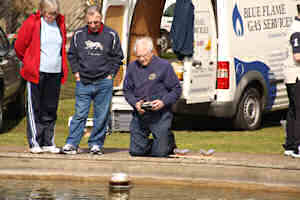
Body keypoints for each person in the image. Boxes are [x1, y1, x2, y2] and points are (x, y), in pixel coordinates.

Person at [62, 6, 124, 155]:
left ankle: (96, 144)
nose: (93, 25)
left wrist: (111, 75)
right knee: (80, 114)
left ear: (101, 19)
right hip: (84, 81)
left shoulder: (111, 35)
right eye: (90, 23)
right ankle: (71, 143)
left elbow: (118, 57)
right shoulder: (78, 35)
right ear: (86, 21)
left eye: (96, 22)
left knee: (101, 115)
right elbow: (72, 55)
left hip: (104, 81)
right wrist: (76, 73)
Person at [14, 0, 68, 154]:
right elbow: (19, 46)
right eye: (50, 13)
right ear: (42, 12)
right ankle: (34, 142)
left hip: (55, 72)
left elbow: (61, 46)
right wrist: (29, 61)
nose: (53, 16)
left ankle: (48, 141)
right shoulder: (32, 23)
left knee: (50, 108)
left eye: (55, 13)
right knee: (35, 108)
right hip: (37, 72)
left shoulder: (60, 23)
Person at [123, 36, 182, 157]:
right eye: (138, 56)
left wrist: (163, 102)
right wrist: (135, 103)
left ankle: (167, 142)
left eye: (144, 56)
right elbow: (127, 90)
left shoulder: (164, 66)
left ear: (151, 52)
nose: (141, 59)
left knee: (160, 153)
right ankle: (161, 142)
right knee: (136, 152)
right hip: (141, 113)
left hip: (160, 113)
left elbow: (176, 90)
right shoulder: (132, 67)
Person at [283, 4, 300, 158]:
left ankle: (289, 145)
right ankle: (297, 146)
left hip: (291, 75)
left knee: (293, 110)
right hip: (296, 75)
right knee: (298, 110)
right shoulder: (297, 30)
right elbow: (297, 56)